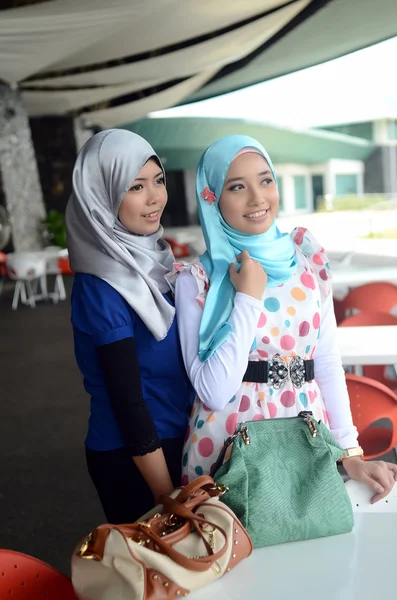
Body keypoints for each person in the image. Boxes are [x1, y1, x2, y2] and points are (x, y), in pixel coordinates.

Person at [171, 134, 397, 504]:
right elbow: (213, 391)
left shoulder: (307, 261)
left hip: (306, 434)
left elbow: (325, 361)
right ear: (211, 197)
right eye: (237, 186)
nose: (258, 198)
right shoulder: (196, 280)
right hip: (229, 445)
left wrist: (350, 450)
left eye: (266, 180)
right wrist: (247, 296)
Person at [66, 129, 195, 523]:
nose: (155, 197)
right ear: (101, 196)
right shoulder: (101, 284)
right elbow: (128, 403)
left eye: (158, 180)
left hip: (181, 439)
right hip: (134, 457)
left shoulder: (158, 263)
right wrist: (165, 495)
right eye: (136, 186)